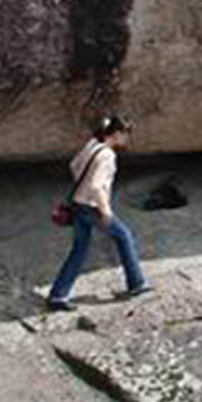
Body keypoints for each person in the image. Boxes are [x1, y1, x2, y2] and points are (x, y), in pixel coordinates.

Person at [48, 115, 151, 309]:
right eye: (126, 134)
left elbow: (74, 165)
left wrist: (83, 185)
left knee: (79, 249)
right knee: (124, 236)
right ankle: (136, 284)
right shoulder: (107, 155)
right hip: (92, 207)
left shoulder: (93, 144)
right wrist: (106, 211)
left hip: (78, 204)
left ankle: (58, 296)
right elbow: (96, 186)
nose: (127, 139)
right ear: (117, 133)